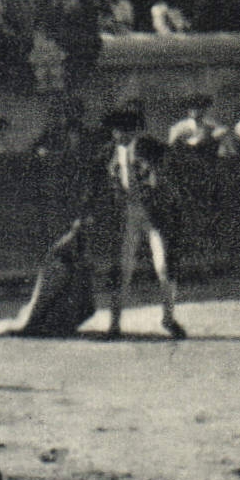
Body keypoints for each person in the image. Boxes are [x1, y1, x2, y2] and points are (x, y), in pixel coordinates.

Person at [97, 107, 185, 340]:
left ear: (133, 131)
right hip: (128, 213)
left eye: (121, 130)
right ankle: (114, 325)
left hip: (155, 213)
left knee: (163, 267)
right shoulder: (110, 151)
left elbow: (165, 175)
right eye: (115, 130)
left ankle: (168, 318)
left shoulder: (151, 148)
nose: (116, 134)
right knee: (122, 268)